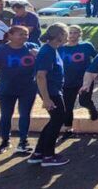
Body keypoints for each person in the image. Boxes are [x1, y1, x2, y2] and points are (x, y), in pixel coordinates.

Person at [0, 26, 39, 154]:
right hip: (7, 88)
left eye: (26, 34)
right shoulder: (0, 51)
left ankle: (23, 141)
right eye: (21, 34)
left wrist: (38, 55)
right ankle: (5, 141)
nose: (24, 37)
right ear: (10, 36)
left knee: (25, 114)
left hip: (28, 88)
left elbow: (45, 62)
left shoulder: (32, 47)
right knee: (6, 115)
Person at [30, 23, 70, 167]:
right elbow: (41, 76)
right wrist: (46, 99)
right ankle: (49, 156)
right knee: (57, 120)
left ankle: (39, 153)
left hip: (53, 90)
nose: (68, 37)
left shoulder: (51, 50)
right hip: (51, 92)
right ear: (59, 35)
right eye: (66, 34)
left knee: (55, 120)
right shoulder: (47, 52)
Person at [58, 25, 98, 140]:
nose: (72, 35)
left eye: (75, 33)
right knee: (68, 106)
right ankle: (68, 129)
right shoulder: (60, 48)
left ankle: (92, 109)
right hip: (67, 81)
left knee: (84, 101)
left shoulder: (86, 46)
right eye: (70, 33)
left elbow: (97, 58)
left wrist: (96, 72)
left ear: (80, 34)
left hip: (84, 80)